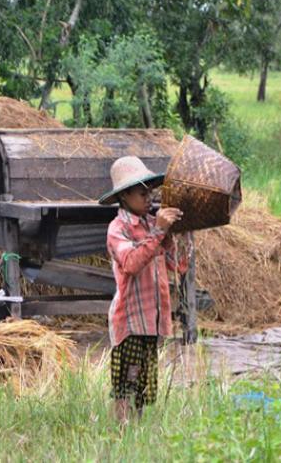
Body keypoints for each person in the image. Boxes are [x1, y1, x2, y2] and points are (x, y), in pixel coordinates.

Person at [98, 156, 187, 423]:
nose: (149, 198)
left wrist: (177, 236)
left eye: (150, 192)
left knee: (144, 382)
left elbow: (176, 266)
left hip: (152, 318)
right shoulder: (118, 229)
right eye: (141, 193)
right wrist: (159, 232)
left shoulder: (151, 224)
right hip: (131, 319)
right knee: (127, 378)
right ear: (124, 196)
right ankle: (123, 429)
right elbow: (132, 263)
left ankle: (135, 429)